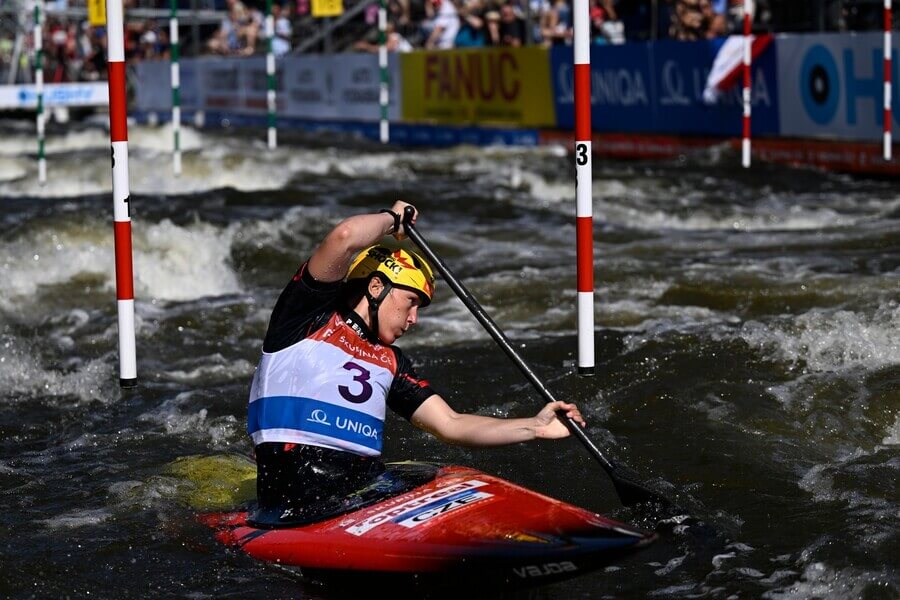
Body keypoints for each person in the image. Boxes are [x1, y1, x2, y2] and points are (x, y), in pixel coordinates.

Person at [246, 201, 585, 525]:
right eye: (411, 302)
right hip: (295, 500)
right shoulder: (305, 318)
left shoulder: (391, 361)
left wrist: (534, 427)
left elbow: (451, 424)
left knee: (443, 473)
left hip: (360, 492)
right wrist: (393, 219)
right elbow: (344, 237)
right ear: (376, 286)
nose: (414, 319)